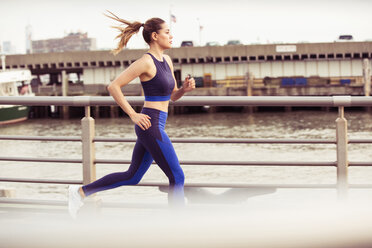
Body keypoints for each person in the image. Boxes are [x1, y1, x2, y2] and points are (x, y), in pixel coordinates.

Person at [68, 11, 195, 218]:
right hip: (148, 123)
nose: (171, 36)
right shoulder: (145, 62)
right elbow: (114, 86)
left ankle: (80, 192)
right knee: (177, 176)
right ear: (155, 36)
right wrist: (133, 114)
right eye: (167, 32)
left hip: (157, 123)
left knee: (133, 175)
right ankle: (178, 225)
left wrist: (183, 90)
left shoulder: (168, 61)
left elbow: (171, 96)